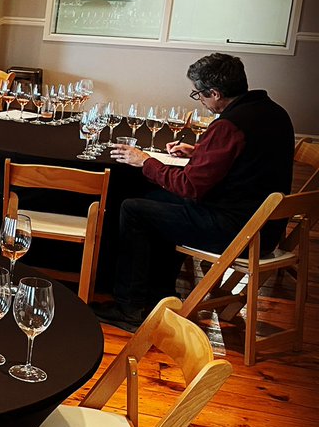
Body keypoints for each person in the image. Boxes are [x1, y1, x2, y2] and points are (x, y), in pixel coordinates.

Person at [101, 52, 294, 330]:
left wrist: (145, 161)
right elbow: (251, 161)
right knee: (153, 200)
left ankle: (128, 307)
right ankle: (161, 295)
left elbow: (190, 188)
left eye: (199, 94)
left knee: (134, 209)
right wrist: (201, 154)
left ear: (215, 93)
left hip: (238, 230)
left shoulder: (228, 125)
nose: (200, 100)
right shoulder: (274, 112)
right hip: (265, 225)